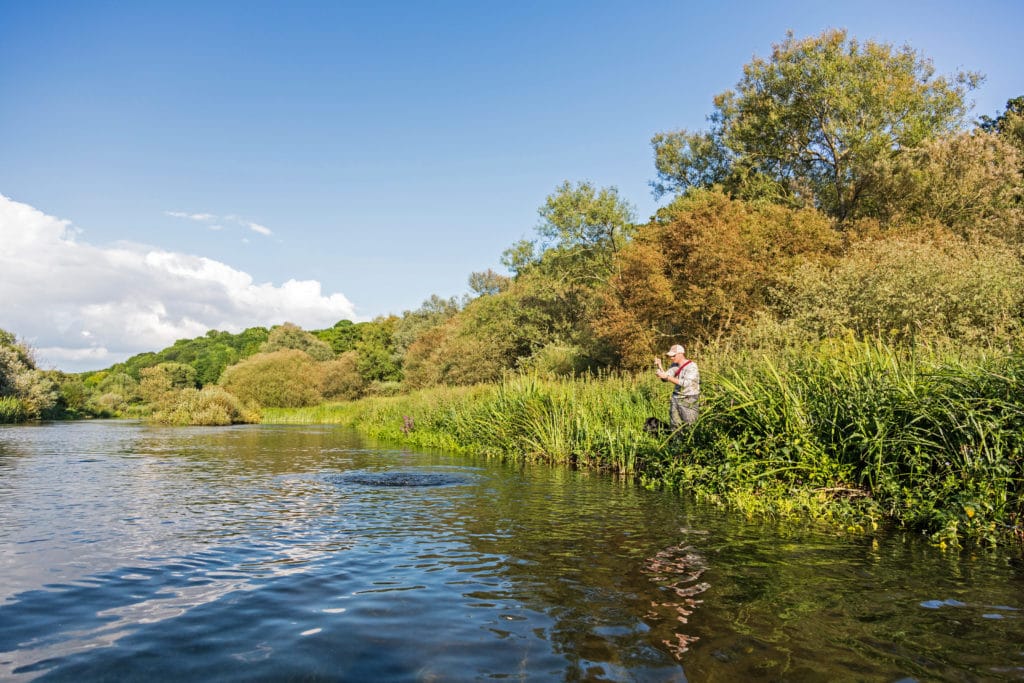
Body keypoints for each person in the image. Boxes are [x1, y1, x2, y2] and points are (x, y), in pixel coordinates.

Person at [655, 343, 700, 431]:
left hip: (689, 398)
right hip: (676, 397)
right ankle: (676, 443)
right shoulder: (674, 365)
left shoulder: (692, 366)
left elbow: (686, 383)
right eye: (670, 356)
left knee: (691, 425)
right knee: (675, 424)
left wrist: (667, 377)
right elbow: (665, 378)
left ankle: (691, 443)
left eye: (673, 356)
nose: (671, 358)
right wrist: (659, 366)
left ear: (681, 354)